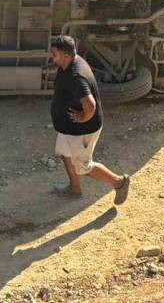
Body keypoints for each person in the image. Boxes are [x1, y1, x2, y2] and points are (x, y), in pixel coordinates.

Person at [48, 34, 129, 202]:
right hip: (69, 127)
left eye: (54, 55)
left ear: (66, 56)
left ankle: (119, 183)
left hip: (81, 130)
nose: (52, 58)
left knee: (84, 167)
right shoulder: (71, 61)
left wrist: (83, 119)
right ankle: (75, 189)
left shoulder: (75, 76)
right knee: (65, 154)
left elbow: (90, 105)